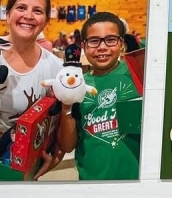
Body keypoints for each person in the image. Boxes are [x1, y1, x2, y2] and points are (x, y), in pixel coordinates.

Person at [44, 12, 144, 181]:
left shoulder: (138, 74)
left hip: (136, 178)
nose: (102, 47)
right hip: (92, 179)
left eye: (110, 40)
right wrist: (67, 105)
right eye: (94, 41)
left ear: (121, 43)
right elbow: (68, 146)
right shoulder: (77, 85)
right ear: (83, 45)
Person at [0, 0, 64, 182]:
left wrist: (55, 157)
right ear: (8, 14)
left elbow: (59, 123)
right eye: (21, 8)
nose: (28, 16)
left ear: (46, 21)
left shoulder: (56, 68)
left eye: (37, 11)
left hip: (24, 171)